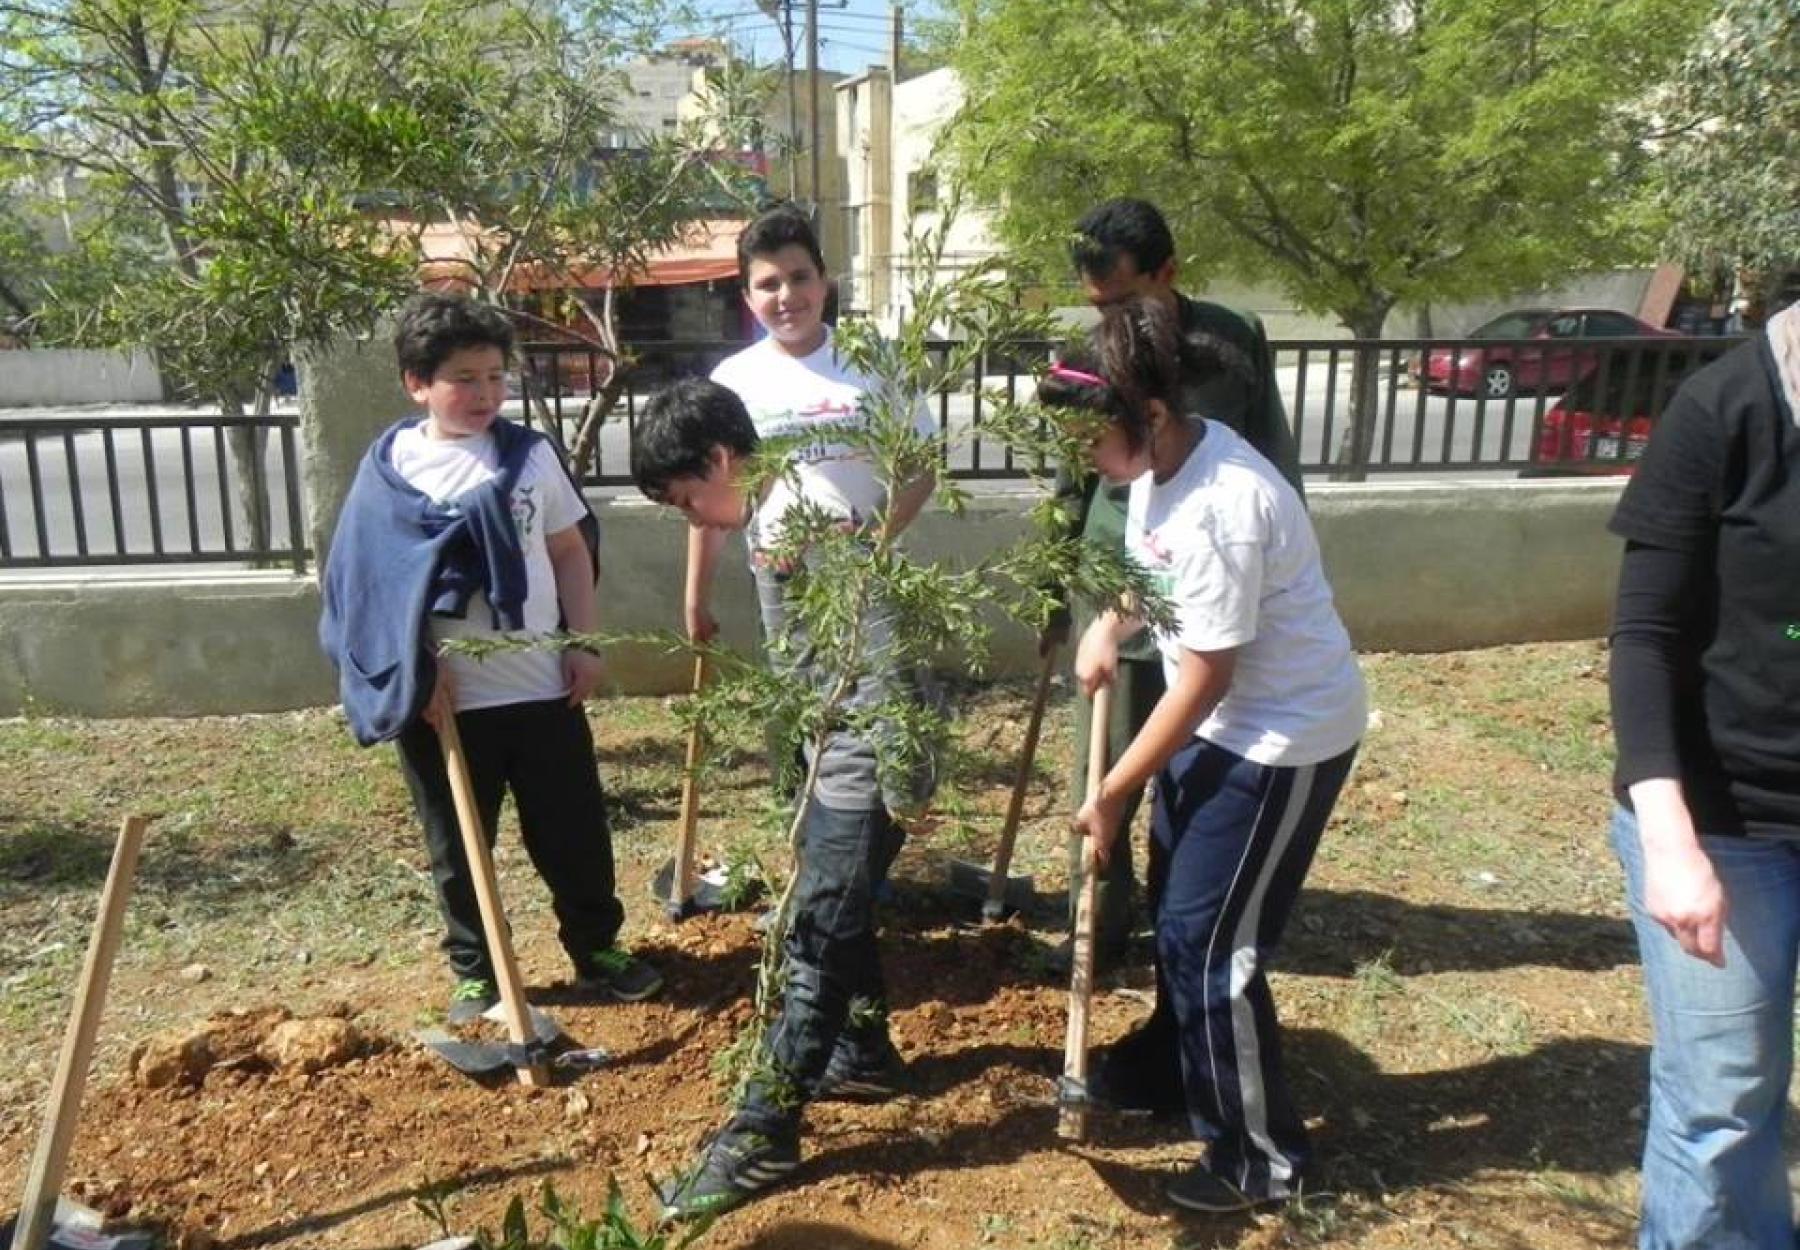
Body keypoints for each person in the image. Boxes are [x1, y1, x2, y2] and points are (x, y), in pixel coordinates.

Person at [646, 204, 937, 1222]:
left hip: (872, 706)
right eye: (764, 282)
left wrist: (881, 768)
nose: (696, 523)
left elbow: (874, 664)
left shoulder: (815, 506)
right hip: (831, 708)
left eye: (689, 503)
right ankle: (862, 1050)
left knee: (817, 913)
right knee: (829, 878)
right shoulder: (763, 491)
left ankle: (764, 1128)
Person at [1045, 297, 1364, 1212]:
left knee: (1210, 941)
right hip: (1225, 725)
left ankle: (1261, 1158)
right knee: (1175, 907)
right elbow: (1151, 568)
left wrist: (1108, 790)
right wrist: (1111, 623)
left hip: (1279, 741)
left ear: (1147, 414)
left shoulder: (1227, 504)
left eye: (1092, 447)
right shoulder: (1164, 460)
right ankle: (1178, 1070)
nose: (1092, 469)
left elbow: (1203, 681)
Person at [319, 291, 661, 1025]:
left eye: (495, 377)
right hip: (446, 703)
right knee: (458, 847)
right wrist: (416, 667)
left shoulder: (529, 456)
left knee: (572, 832)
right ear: (418, 383)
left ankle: (598, 949)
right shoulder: (390, 473)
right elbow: (366, 585)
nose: (484, 394)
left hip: (540, 688)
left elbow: (570, 551)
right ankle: (480, 973)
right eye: (464, 379)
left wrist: (584, 643)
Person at [1049, 196, 1303, 969]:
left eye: (1126, 300)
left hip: (1212, 577)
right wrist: (1055, 588)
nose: (1109, 320)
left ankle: (1186, 927)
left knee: (1195, 755)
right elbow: (1069, 475)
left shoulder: (1231, 340)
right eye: (1098, 307)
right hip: (1121, 579)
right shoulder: (1084, 348)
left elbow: (1272, 460)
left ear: (1168, 273)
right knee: (1109, 758)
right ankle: (1098, 926)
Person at [1607, 299, 1800, 1248]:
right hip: (1728, 822)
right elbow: (1644, 639)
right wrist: (1671, 843)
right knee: (1723, 1103)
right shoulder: (1725, 407)